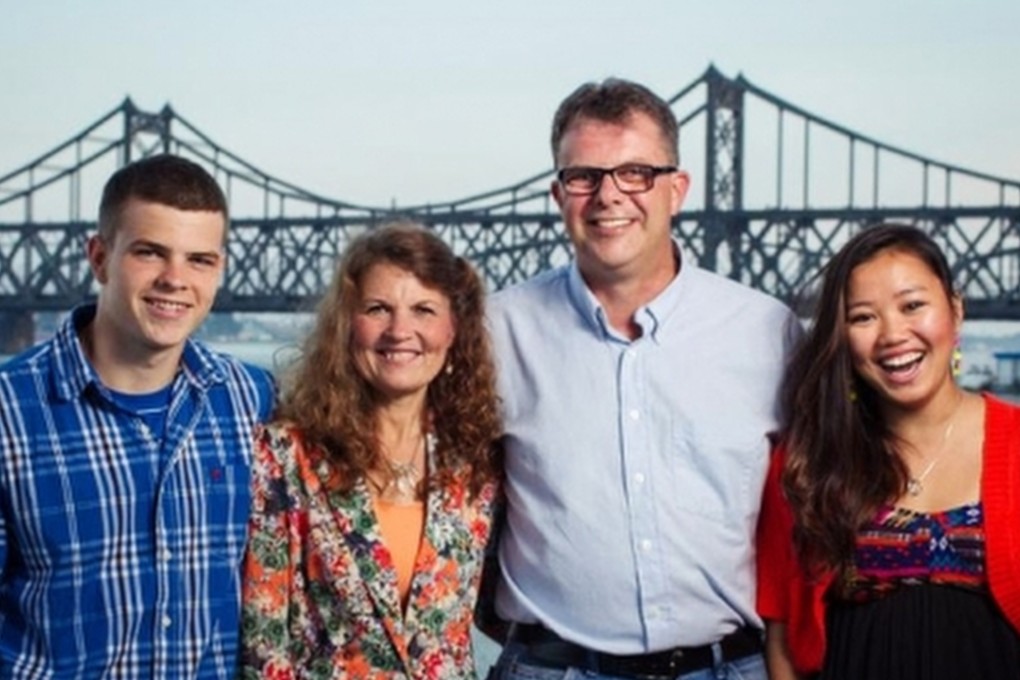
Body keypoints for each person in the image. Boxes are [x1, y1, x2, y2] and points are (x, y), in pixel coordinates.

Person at [484, 78, 798, 680]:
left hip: (728, 666)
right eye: (584, 177)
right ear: (557, 194)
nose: (609, 196)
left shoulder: (767, 331)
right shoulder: (494, 331)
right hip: (551, 666)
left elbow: (819, 509)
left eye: (635, 173)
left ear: (677, 190)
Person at [0, 154, 276, 677]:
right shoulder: (10, 412)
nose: (175, 279)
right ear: (99, 257)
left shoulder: (253, 401)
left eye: (200, 259)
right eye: (150, 253)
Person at [238, 222, 502, 679]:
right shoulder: (286, 456)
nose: (401, 330)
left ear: (453, 331)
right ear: (346, 326)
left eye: (424, 310)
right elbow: (264, 644)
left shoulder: (475, 463)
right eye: (379, 308)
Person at [757, 223, 1020, 679]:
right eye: (863, 317)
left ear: (955, 311)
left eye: (913, 305)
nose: (892, 334)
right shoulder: (808, 460)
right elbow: (783, 639)